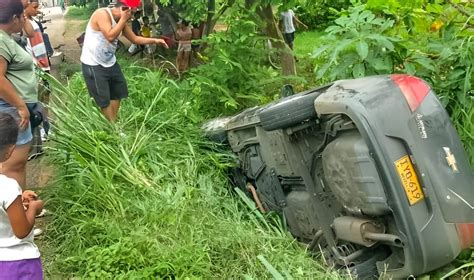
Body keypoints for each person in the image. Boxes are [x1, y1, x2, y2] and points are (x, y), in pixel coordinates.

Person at [80, 0, 168, 122]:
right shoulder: (102, 14)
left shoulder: (121, 22)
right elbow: (110, 37)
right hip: (93, 64)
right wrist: (122, 20)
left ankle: (112, 123)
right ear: (125, 9)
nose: (132, 16)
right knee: (104, 100)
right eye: (132, 12)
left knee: (117, 92)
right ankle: (112, 128)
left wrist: (155, 40)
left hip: (110, 62)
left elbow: (135, 38)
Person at [0, 0, 40, 189]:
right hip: (11, 110)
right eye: (21, 16)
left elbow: (29, 31)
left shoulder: (6, 36)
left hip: (15, 108)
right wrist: (20, 106)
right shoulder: (1, 39)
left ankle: (20, 205)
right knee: (12, 166)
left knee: (18, 164)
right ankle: (12, 214)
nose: (24, 19)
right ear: (14, 18)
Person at [0, 112, 44, 279]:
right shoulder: (8, 187)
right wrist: (33, 208)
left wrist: (18, 199)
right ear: (10, 150)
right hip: (17, 264)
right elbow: (22, 230)